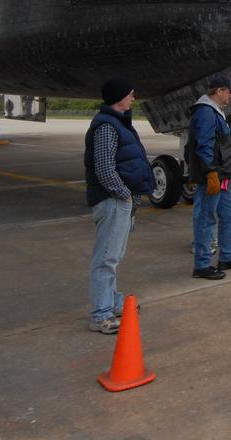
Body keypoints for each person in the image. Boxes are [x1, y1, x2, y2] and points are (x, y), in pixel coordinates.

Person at [84, 76, 153, 333]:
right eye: (130, 94)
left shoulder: (117, 123)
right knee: (106, 258)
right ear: (118, 97)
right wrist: (123, 194)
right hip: (112, 200)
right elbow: (104, 167)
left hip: (121, 201)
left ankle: (112, 301)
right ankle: (101, 314)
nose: (133, 98)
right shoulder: (106, 126)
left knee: (114, 256)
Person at [187, 73, 231, 279]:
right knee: (205, 218)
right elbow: (204, 145)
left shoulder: (216, 112)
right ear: (218, 91)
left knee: (228, 214)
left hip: (223, 176)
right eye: (229, 92)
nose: (230, 96)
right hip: (212, 176)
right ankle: (202, 265)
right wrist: (210, 172)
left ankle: (227, 257)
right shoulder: (205, 113)